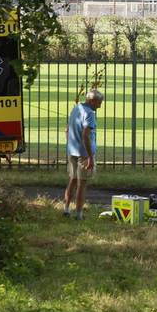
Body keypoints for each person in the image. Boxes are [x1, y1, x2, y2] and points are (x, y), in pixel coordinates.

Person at [64, 89, 104, 219]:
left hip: (72, 150)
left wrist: (70, 143)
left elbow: (67, 129)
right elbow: (85, 136)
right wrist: (90, 157)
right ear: (92, 101)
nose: (100, 106)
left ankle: (66, 209)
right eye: (99, 102)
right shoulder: (90, 113)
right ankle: (79, 214)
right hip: (84, 154)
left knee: (72, 180)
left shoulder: (76, 108)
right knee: (82, 184)